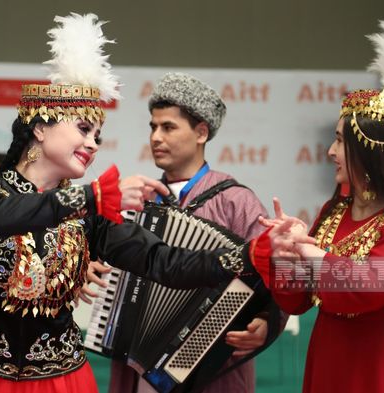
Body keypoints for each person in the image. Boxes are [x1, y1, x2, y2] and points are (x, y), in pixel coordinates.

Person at [0, 14, 258, 393]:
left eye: (98, 137)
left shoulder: (88, 217)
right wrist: (92, 196)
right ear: (40, 128)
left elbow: (164, 262)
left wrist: (251, 255)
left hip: (65, 380)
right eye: (84, 130)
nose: (92, 144)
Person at [250, 13, 384, 393]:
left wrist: (311, 253)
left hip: (381, 370)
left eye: (339, 141)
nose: (330, 151)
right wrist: (286, 254)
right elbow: (298, 299)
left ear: (368, 155)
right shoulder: (332, 213)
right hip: (330, 360)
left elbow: (369, 286)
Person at [108, 72, 286, 393]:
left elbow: (278, 274)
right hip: (137, 368)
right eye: (153, 127)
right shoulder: (138, 200)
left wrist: (268, 322)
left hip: (212, 372)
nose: (155, 137)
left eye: (168, 127)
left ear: (201, 132)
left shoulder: (236, 201)